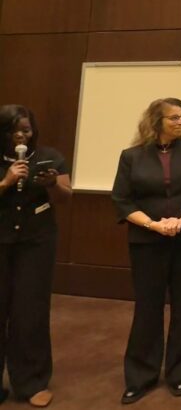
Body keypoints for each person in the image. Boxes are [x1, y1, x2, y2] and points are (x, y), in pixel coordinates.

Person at [111, 99, 181, 405]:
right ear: (156, 122)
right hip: (147, 242)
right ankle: (140, 377)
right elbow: (122, 200)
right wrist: (153, 225)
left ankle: (180, 373)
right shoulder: (132, 156)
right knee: (147, 307)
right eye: (174, 118)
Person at [0, 105, 71, 408]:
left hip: (36, 244)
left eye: (26, 130)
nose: (21, 136)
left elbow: (67, 195)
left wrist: (52, 184)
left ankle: (32, 382)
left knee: (30, 311)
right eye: (14, 131)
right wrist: (6, 181)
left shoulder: (49, 157)